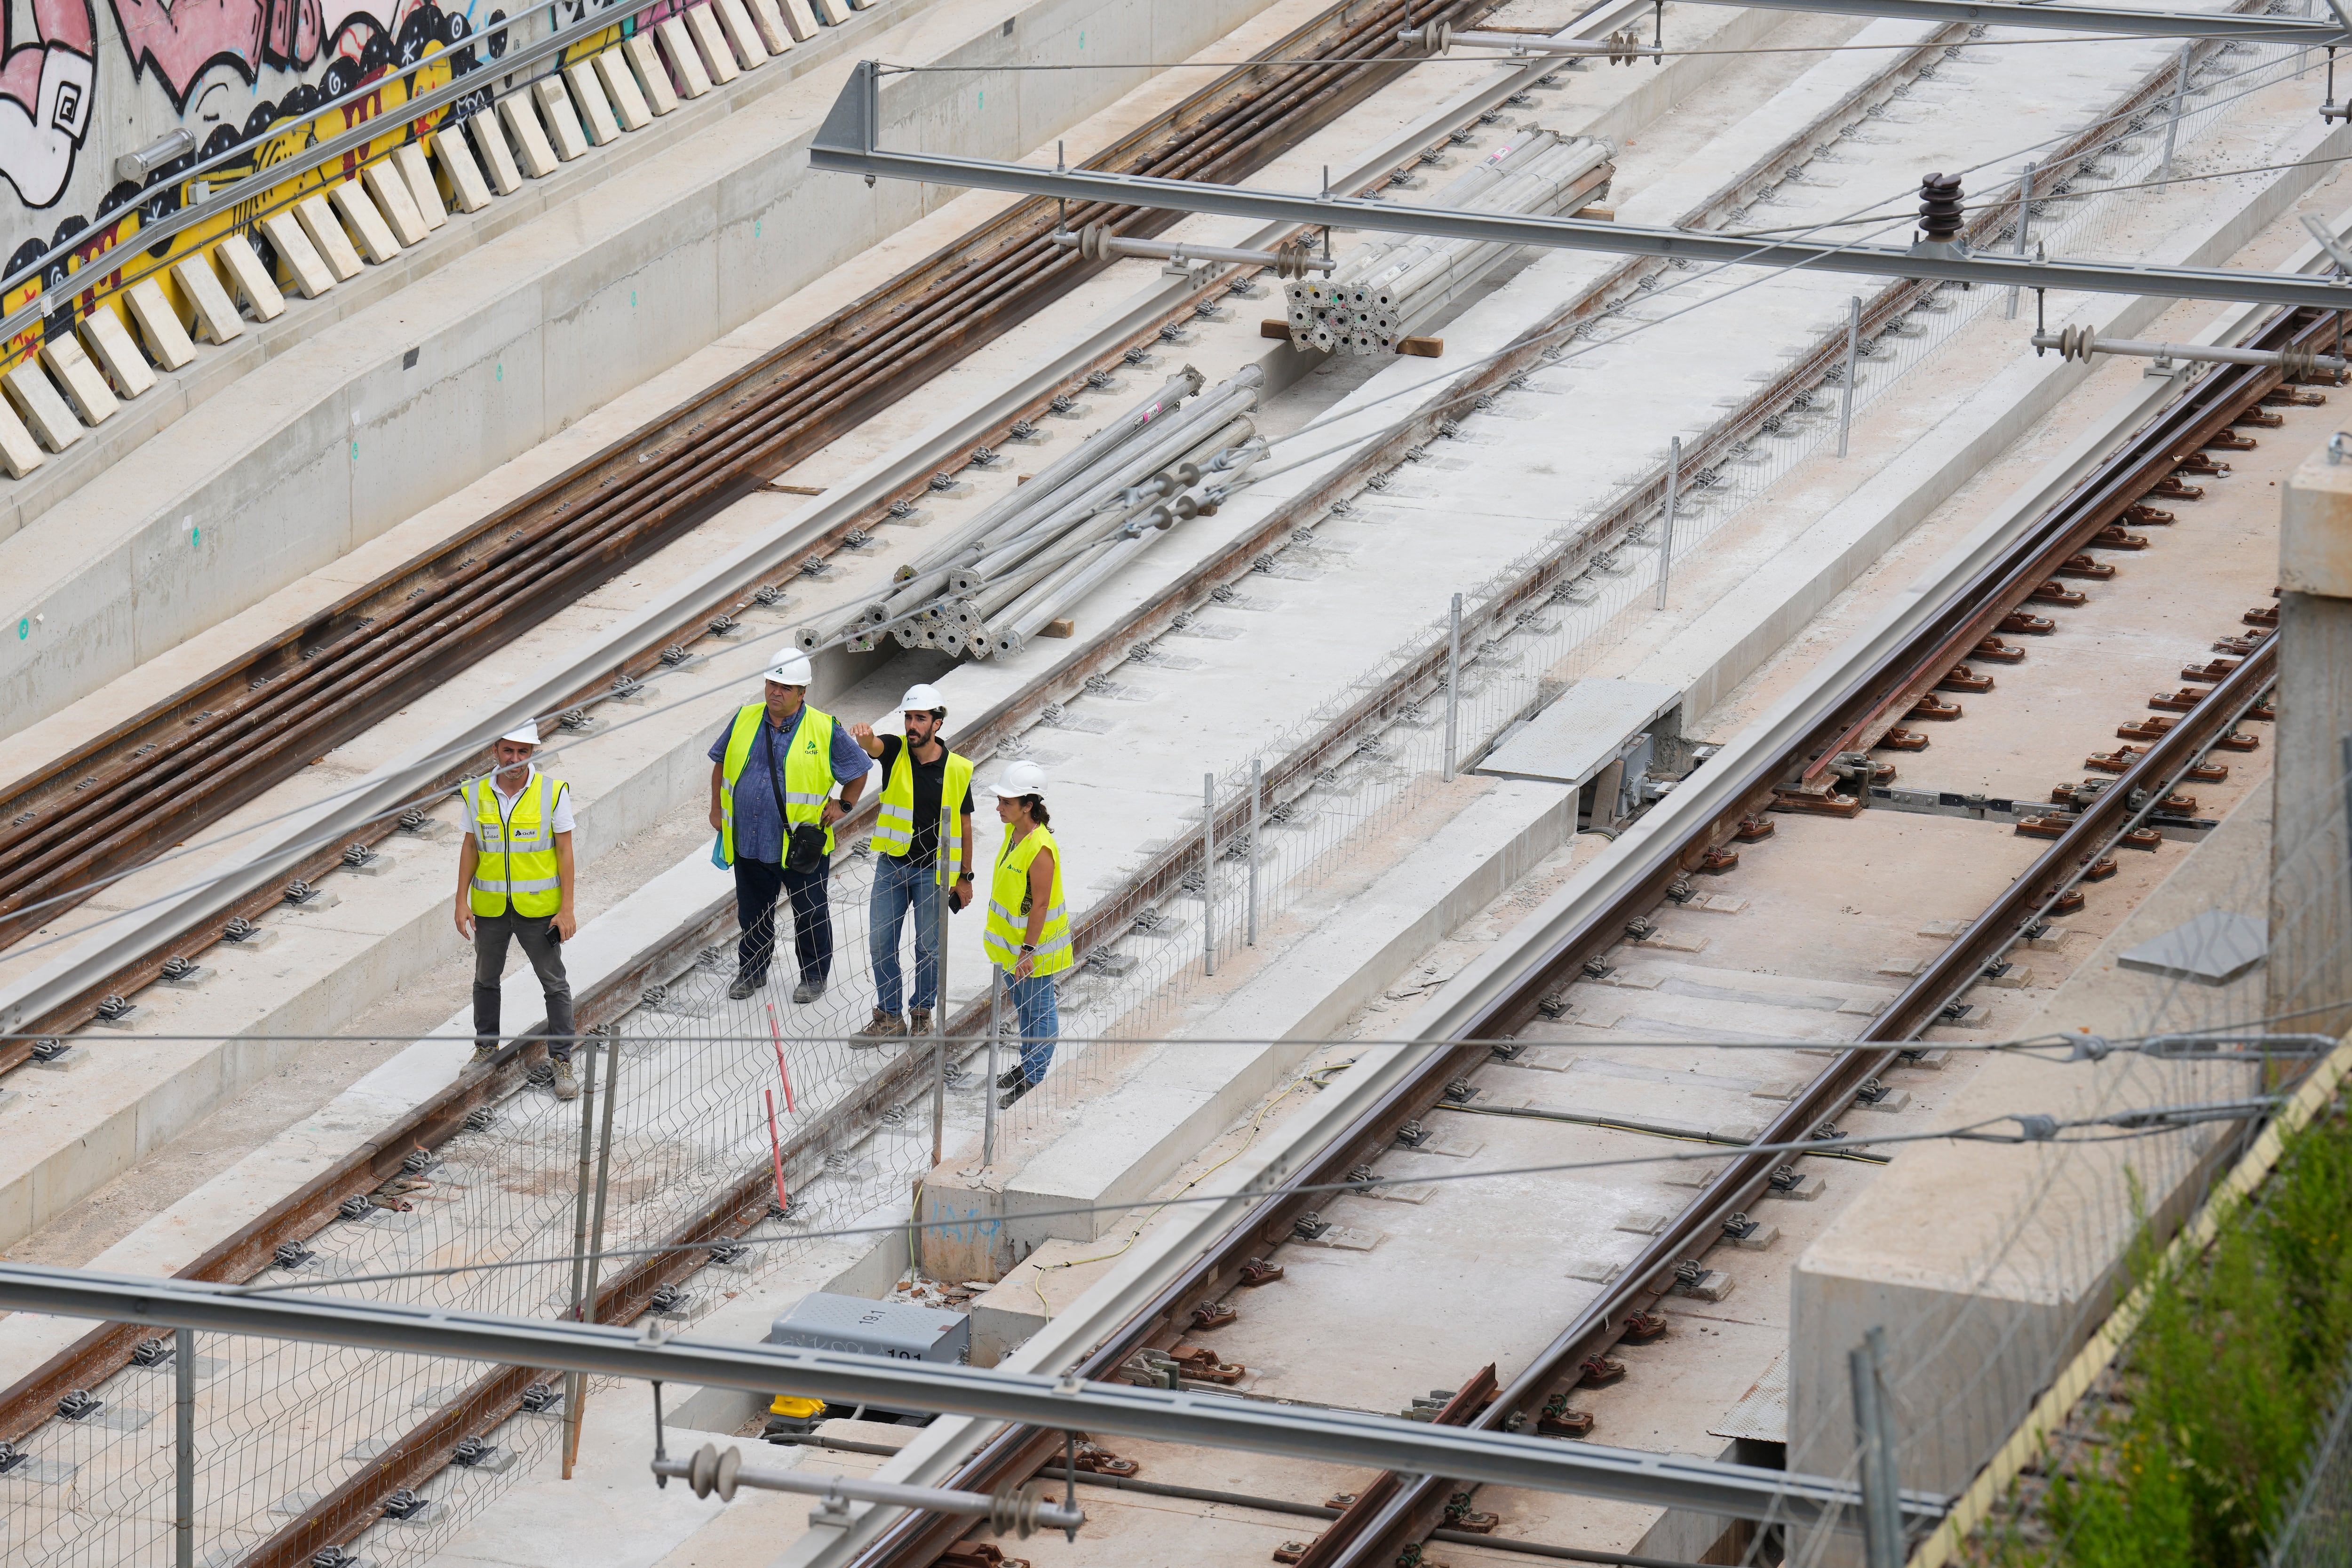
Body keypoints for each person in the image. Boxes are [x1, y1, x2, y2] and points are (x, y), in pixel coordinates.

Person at [709, 649, 871, 1003]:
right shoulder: (745, 718)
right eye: (772, 684)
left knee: (810, 913)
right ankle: (752, 971)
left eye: (785, 687)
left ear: (802, 693)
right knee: (752, 913)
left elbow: (859, 769)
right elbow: (721, 762)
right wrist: (716, 809)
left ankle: (814, 976)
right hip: (750, 839)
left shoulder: (824, 728)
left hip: (801, 846)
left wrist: (844, 804)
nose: (776, 692)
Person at [455, 722, 580, 1099]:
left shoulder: (552, 792)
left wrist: (567, 908)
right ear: (495, 750)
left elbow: (565, 851)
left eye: (523, 752)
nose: (515, 759)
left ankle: (562, 1060)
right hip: (491, 907)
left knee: (554, 983)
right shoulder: (476, 792)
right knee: (485, 979)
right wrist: (461, 900)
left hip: (538, 910)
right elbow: (471, 846)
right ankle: (486, 1047)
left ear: (532, 753)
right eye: (508, 751)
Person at [848, 684, 976, 1043]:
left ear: (937, 723)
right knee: (880, 943)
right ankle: (890, 1016)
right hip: (892, 866)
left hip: (932, 872)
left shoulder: (956, 769)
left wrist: (965, 877)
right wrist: (865, 737)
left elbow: (965, 826)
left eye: (920, 718)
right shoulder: (895, 750)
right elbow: (874, 746)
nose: (912, 725)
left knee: (929, 948)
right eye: (909, 717)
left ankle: (921, 1013)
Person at [981, 760, 1070, 1108]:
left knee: (1040, 1011)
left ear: (1028, 805)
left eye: (1006, 802)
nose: (999, 808)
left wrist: (1027, 951)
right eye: (1000, 800)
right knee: (1026, 1009)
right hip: (1011, 947)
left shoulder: (1041, 848)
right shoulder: (1013, 833)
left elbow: (1041, 904)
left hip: (1032, 950)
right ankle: (1028, 1064)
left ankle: (1034, 1076)